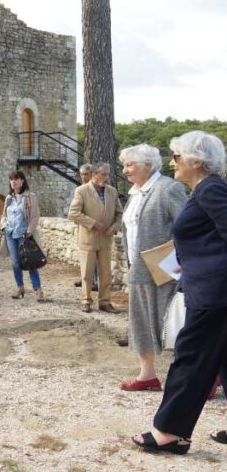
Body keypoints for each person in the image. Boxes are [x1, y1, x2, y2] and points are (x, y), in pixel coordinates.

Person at [132, 131, 227, 455]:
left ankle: (170, 433)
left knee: (190, 357)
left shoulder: (211, 188)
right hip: (211, 287)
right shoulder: (204, 190)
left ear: (196, 161)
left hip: (214, 292)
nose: (172, 162)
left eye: (176, 156)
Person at [118, 144, 186, 392]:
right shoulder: (136, 192)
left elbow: (189, 228)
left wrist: (171, 262)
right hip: (137, 269)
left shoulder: (168, 189)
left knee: (173, 324)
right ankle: (147, 375)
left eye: (130, 164)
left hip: (165, 271)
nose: (125, 170)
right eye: (125, 165)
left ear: (148, 165)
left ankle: (205, 376)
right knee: (140, 323)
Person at [68, 162, 124, 313]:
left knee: (106, 273)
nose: (107, 177)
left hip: (106, 240)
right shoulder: (81, 191)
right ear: (94, 174)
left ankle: (105, 302)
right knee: (87, 273)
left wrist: (114, 227)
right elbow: (73, 213)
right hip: (88, 239)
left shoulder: (112, 191)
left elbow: (120, 213)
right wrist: (93, 224)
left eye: (108, 174)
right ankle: (86, 300)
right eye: (103, 174)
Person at [0, 170, 45, 302]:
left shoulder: (30, 196)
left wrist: (29, 232)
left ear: (22, 181)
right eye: (11, 179)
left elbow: (35, 216)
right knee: (15, 263)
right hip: (10, 234)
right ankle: (20, 287)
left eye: (16, 179)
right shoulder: (8, 198)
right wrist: (4, 225)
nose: (13, 182)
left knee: (30, 262)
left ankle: (38, 290)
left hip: (24, 235)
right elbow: (4, 215)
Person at [73, 163, 99, 290]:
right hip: (83, 227)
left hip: (95, 227)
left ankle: (94, 281)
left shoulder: (98, 189)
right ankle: (86, 278)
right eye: (82, 174)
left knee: (94, 256)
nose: (83, 177)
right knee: (84, 254)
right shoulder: (80, 189)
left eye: (86, 174)